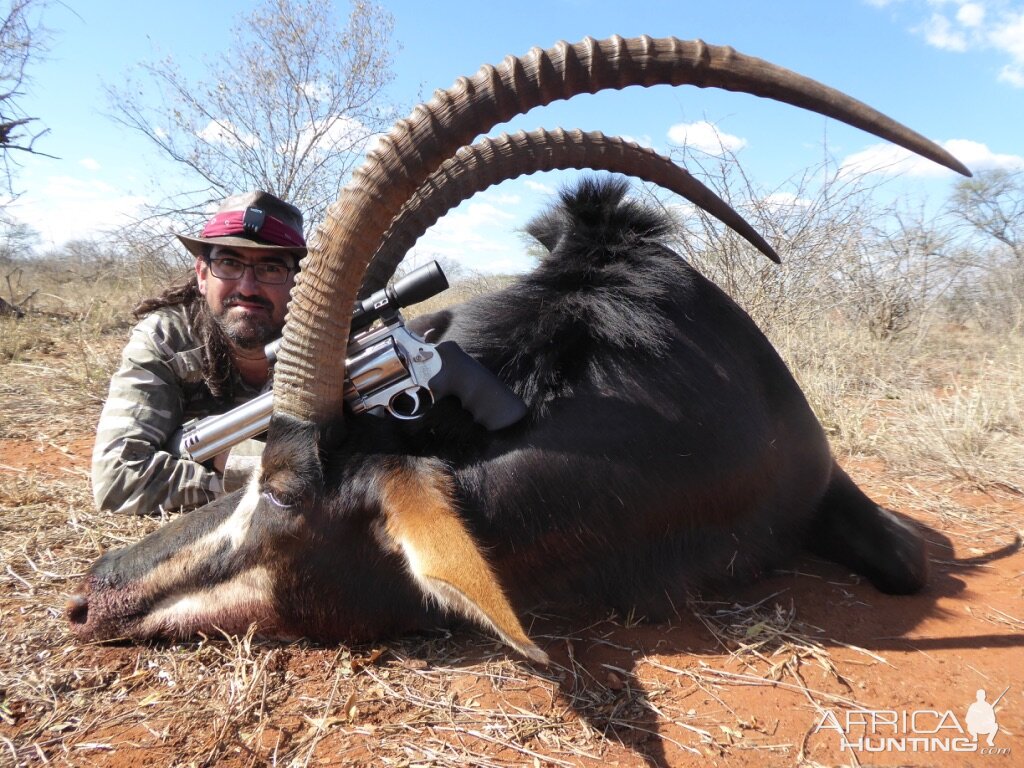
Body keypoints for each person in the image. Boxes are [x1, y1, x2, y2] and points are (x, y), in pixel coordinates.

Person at [91, 191, 306, 515]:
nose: (247, 287)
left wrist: (221, 459)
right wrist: (265, 477)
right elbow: (118, 480)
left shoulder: (328, 343)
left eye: (272, 268)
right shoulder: (166, 338)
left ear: (298, 281)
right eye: (229, 263)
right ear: (203, 275)